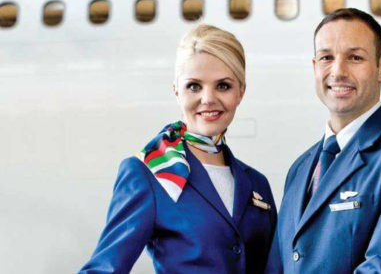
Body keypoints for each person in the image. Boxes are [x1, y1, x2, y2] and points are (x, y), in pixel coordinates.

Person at [80, 25, 277, 273]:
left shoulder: (257, 184)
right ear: (176, 91)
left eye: (223, 86)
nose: (208, 98)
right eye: (194, 86)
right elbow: (103, 268)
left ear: (241, 92)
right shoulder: (149, 174)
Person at [266, 8, 381, 273]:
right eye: (326, 57)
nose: (338, 71)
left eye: (355, 57)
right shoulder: (300, 168)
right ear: (315, 67)